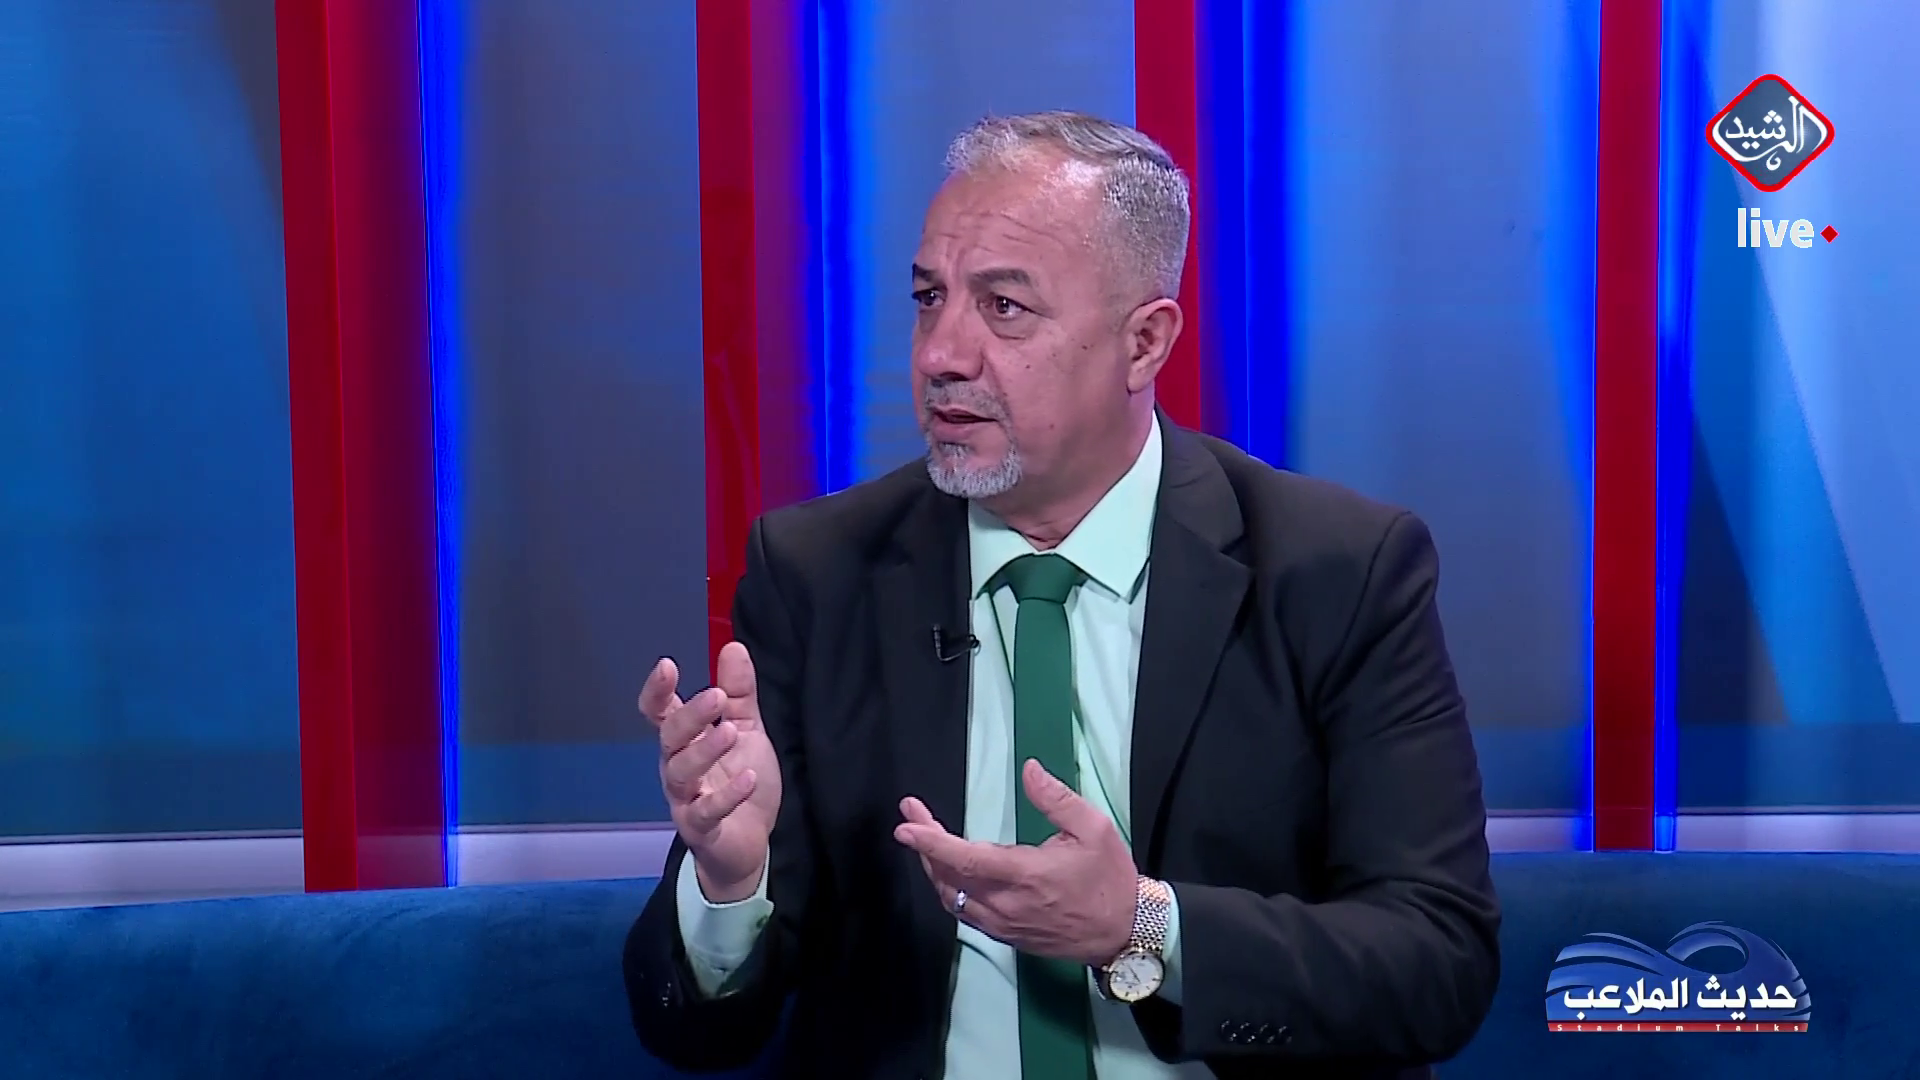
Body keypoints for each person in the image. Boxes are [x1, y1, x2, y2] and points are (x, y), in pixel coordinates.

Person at [624, 111, 1499, 1080]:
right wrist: (730, 883)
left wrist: (1143, 927)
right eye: (929, 298)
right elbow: (699, 1038)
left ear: (1144, 343)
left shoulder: (1337, 572)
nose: (939, 354)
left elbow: (1438, 962)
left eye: (1004, 307)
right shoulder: (818, 576)